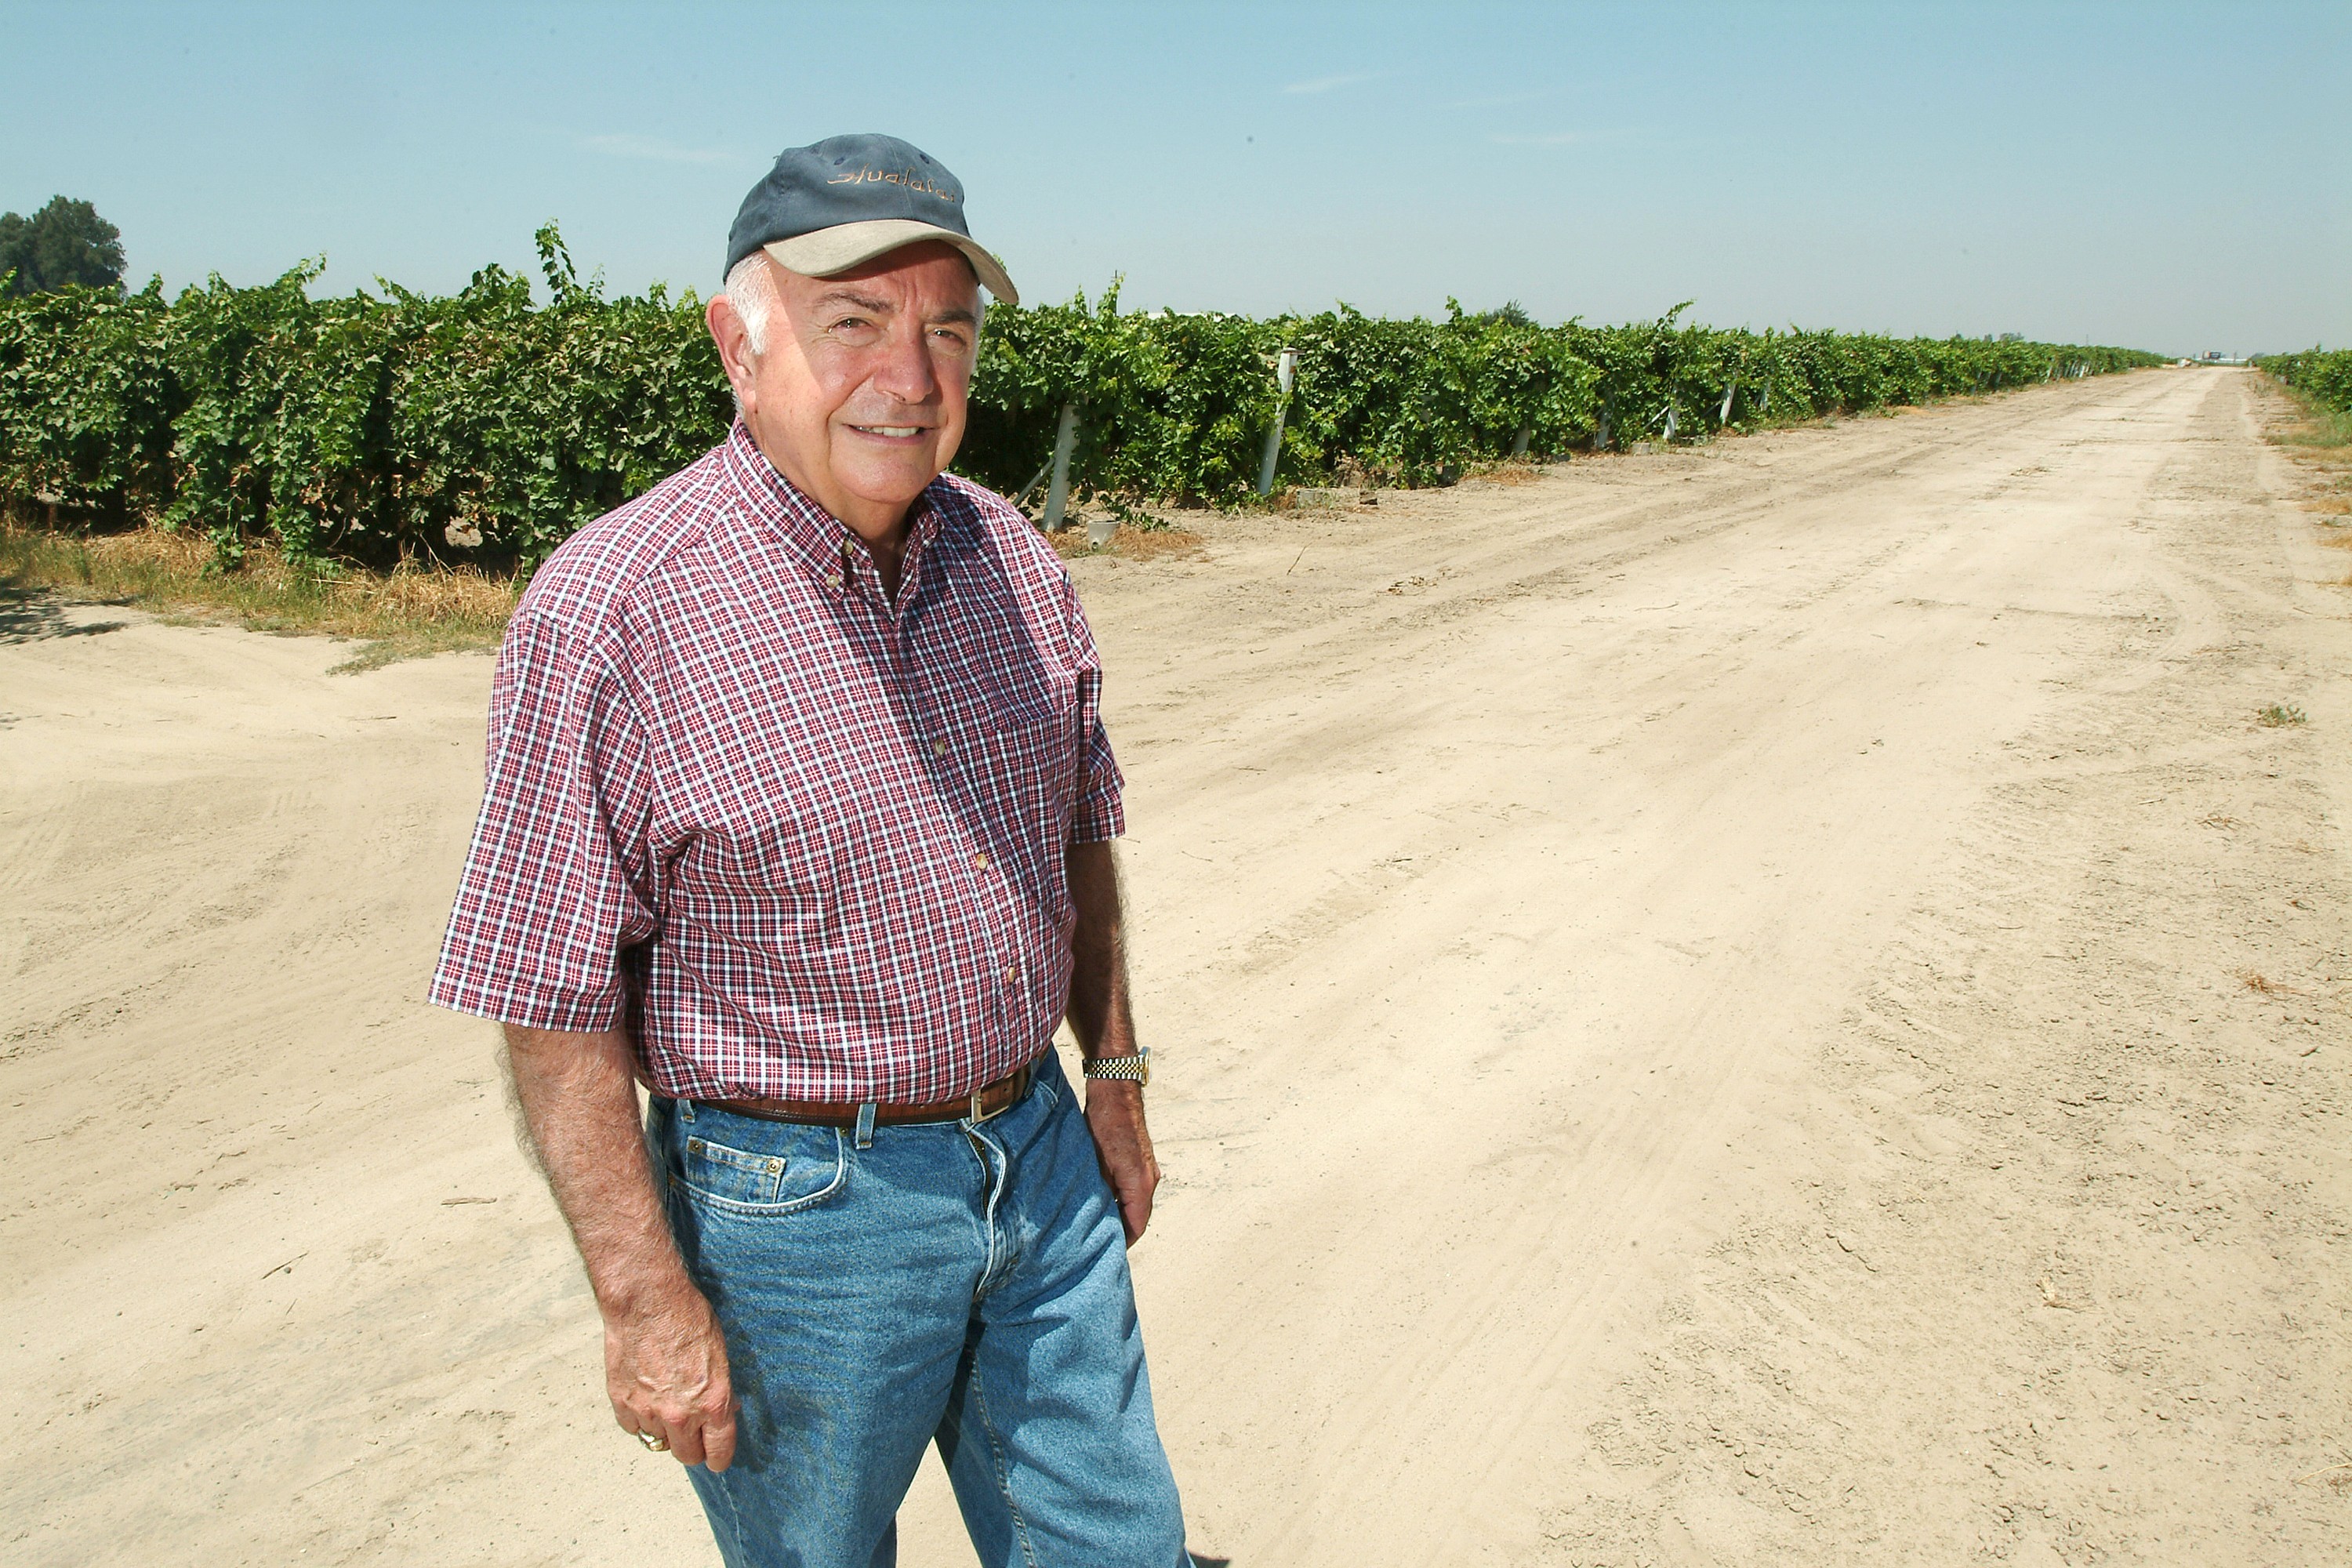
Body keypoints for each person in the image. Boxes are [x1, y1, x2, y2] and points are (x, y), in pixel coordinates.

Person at [428, 132, 1189, 1567]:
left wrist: (1117, 1073)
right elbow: (550, 1000)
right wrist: (646, 1304)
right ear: (740, 346)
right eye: (854, 322)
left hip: (1039, 1161)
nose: (911, 377)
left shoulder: (1013, 558)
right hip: (798, 1222)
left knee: (1119, 1547)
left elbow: (1077, 831)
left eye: (949, 331)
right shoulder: (610, 614)